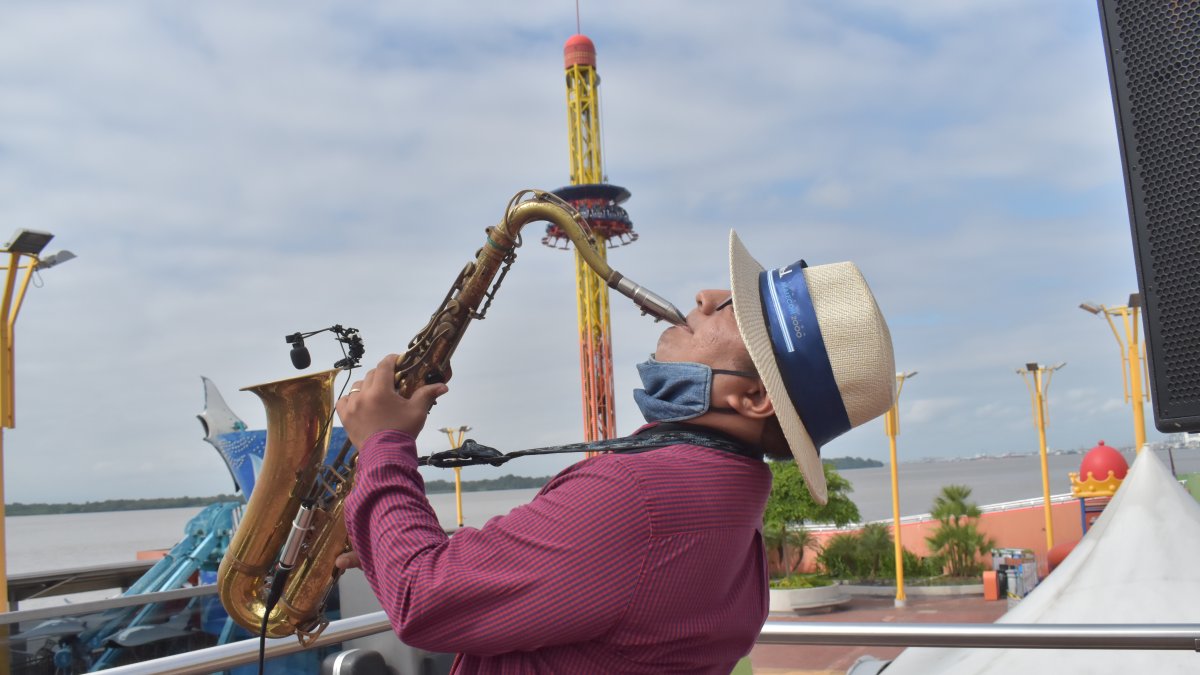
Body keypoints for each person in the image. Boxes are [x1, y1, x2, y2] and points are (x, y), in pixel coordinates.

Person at [335, 231, 896, 674]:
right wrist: (436, 551)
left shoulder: (639, 498)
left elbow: (422, 601)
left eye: (733, 310)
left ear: (751, 398)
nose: (704, 296)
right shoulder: (731, 506)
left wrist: (383, 445)